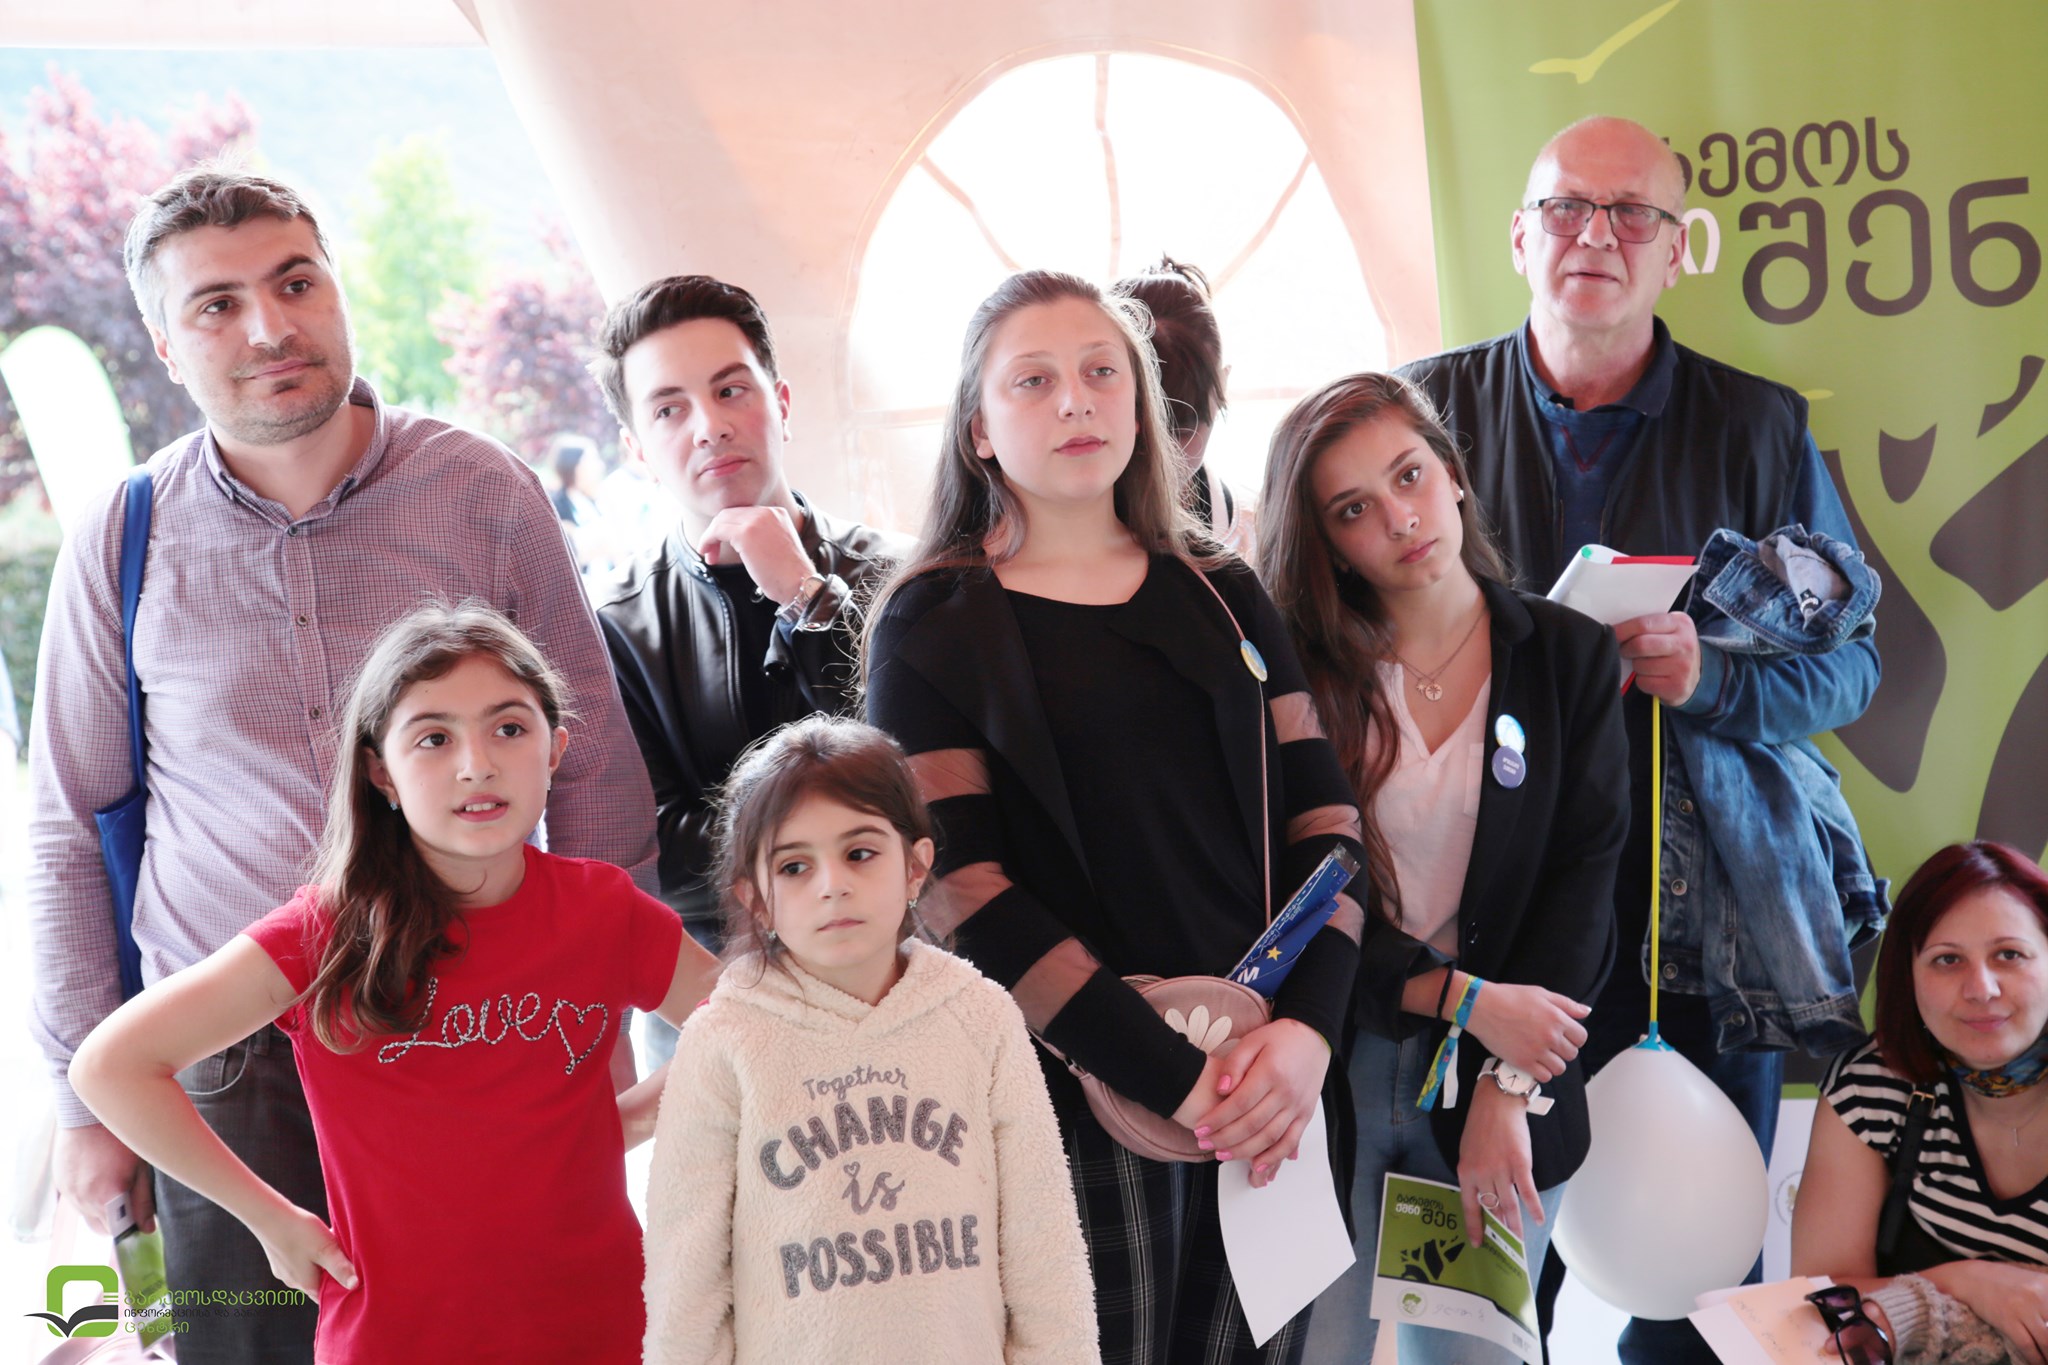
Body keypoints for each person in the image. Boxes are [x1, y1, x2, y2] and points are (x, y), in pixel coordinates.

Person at [26, 166, 657, 1364]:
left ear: (335, 289)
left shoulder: (479, 492)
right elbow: (68, 820)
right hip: (230, 1065)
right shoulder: (123, 537)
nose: (270, 328)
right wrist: (81, 1101)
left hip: (467, 1030)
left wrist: (597, 1015)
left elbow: (594, 768)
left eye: (295, 283)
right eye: (217, 305)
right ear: (165, 346)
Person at [1397, 115, 1884, 1362]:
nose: (1595, 237)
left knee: (1690, 1297)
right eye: (1566, 207)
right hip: (1482, 919)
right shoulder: (1420, 416)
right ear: (1518, 236)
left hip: (1702, 932)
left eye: (1632, 215)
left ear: (1678, 250)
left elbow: (1852, 664)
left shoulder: (1756, 426)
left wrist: (1706, 678)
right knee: (1467, 1295)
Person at [863, 269, 1367, 1363]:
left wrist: (1306, 1037)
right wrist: (1178, 1079)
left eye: (1102, 373)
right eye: (1032, 381)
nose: (1075, 401)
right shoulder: (932, 624)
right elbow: (960, 894)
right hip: (1066, 1103)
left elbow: (1330, 830)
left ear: (1141, 406)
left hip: (1267, 1084)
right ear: (978, 431)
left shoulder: (1222, 588)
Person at [68, 603, 722, 1363]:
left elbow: (749, 1019)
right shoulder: (322, 933)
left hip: (603, 1327)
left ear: (556, 749)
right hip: (392, 1338)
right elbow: (110, 1066)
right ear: (381, 771)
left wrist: (627, 1120)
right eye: (434, 738)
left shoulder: (604, 910)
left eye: (510, 728)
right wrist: (272, 1220)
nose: (477, 764)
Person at [1257, 374, 1627, 1362]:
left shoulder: (1567, 656)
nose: (1399, 518)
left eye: (1409, 475)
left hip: (1499, 1086)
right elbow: (1295, 893)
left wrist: (1506, 1082)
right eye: (1353, 509)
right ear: (1327, 543)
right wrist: (1456, 996)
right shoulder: (1297, 679)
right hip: (1324, 1069)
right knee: (1313, 1354)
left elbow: (1583, 884)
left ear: (1453, 474)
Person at [642, 715, 1099, 1364]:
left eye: (859, 853)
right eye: (794, 866)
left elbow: (1043, 1240)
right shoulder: (724, 1038)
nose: (832, 884)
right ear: (757, 899)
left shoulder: (980, 1015)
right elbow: (684, 1273)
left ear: (915, 866)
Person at [591, 277, 907, 992]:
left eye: (731, 390)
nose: (709, 426)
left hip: (908, 979)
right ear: (638, 449)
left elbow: (923, 785)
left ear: (782, 404)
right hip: (725, 999)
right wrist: (849, 844)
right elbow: (658, 859)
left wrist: (808, 601)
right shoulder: (615, 626)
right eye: (669, 409)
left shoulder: (905, 576)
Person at [1794, 841, 2048, 1365]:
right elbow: (1817, 1297)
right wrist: (1970, 1280)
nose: (1981, 988)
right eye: (1947, 960)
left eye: (2009, 954)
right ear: (1908, 978)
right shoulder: (1874, 1081)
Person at [1111, 257, 1252, 551]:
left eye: (1177, 433)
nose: (1157, 457)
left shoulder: (1251, 535)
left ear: (1222, 387)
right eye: (1136, 431)